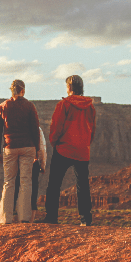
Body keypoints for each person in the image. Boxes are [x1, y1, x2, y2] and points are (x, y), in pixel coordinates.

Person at [43, 75, 97, 226]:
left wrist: (54, 142)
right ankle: (85, 219)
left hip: (64, 148)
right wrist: (86, 144)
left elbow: (57, 126)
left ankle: (51, 217)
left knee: (54, 184)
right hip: (82, 150)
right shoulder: (90, 107)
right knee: (83, 185)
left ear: (69, 88)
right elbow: (92, 129)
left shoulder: (64, 105)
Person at [0, 80, 42, 224]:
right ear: (23, 90)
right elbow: (35, 129)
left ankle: (5, 219)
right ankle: (24, 218)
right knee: (25, 181)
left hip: (10, 147)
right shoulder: (30, 106)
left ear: (11, 90)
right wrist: (38, 149)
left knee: (9, 182)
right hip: (28, 147)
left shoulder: (3, 106)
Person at [2, 126, 47, 222]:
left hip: (15, 160)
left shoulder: (12, 126)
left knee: (13, 187)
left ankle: (7, 218)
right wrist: (42, 164)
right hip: (32, 161)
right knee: (32, 188)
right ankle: (29, 220)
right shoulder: (36, 128)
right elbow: (42, 146)